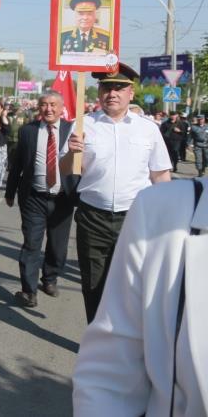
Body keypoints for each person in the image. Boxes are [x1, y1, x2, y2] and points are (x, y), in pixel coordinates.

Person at [73, 177, 206, 416]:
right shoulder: (164, 208)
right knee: (96, 288)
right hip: (98, 217)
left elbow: (160, 173)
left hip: (127, 214)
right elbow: (108, 381)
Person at [64, 63, 172, 322]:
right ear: (99, 91)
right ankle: (98, 336)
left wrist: (168, 217)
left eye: (119, 88)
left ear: (130, 93)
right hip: (93, 218)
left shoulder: (148, 128)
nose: (112, 93)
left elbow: (160, 175)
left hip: (135, 218)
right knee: (94, 284)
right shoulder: (82, 125)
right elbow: (65, 169)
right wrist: (71, 152)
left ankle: (128, 337)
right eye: (106, 87)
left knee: (133, 284)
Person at [4, 92, 78, 308]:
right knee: (31, 244)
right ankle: (29, 291)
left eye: (53, 105)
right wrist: (10, 191)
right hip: (33, 198)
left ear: (62, 108)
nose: (48, 109)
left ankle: (50, 278)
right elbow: (17, 164)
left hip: (63, 198)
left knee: (58, 246)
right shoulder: (28, 131)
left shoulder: (73, 131)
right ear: (39, 107)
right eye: (44, 104)